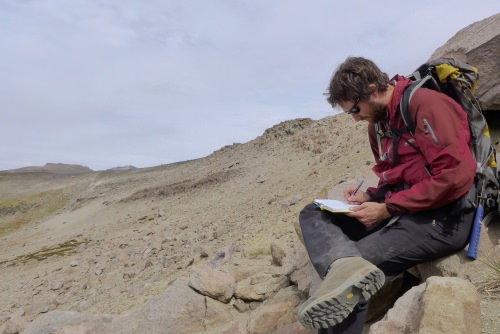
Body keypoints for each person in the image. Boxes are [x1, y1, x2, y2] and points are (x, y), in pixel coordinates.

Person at [296, 56, 477, 333]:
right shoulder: (377, 125)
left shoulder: (427, 105)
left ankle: (345, 273)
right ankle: (343, 266)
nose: (356, 118)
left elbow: (455, 177)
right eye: (350, 113)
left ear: (373, 88)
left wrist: (388, 208)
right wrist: (371, 197)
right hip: (402, 206)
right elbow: (394, 172)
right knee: (313, 213)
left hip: (444, 217)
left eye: (356, 109)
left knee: (353, 276)